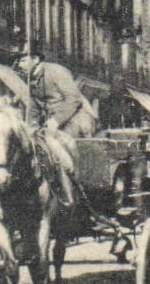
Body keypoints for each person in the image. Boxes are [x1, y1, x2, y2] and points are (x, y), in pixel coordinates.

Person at [17, 53, 96, 207]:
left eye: (23, 60)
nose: (20, 65)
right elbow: (33, 106)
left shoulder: (56, 72)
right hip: (51, 123)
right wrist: (30, 125)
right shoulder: (31, 79)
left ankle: (70, 191)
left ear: (36, 59)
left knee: (60, 147)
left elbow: (74, 99)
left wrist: (56, 120)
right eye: (18, 61)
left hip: (76, 117)